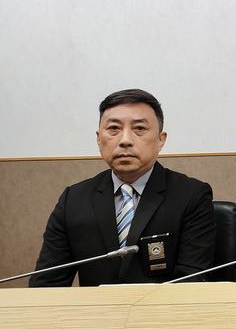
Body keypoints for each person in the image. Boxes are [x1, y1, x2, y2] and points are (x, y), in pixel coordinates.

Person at [29, 89, 216, 286]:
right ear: (99, 139)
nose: (125, 140)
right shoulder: (73, 200)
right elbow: (47, 284)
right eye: (114, 128)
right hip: (96, 306)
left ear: (160, 140)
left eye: (139, 128)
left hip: (165, 306)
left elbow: (191, 281)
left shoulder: (191, 195)